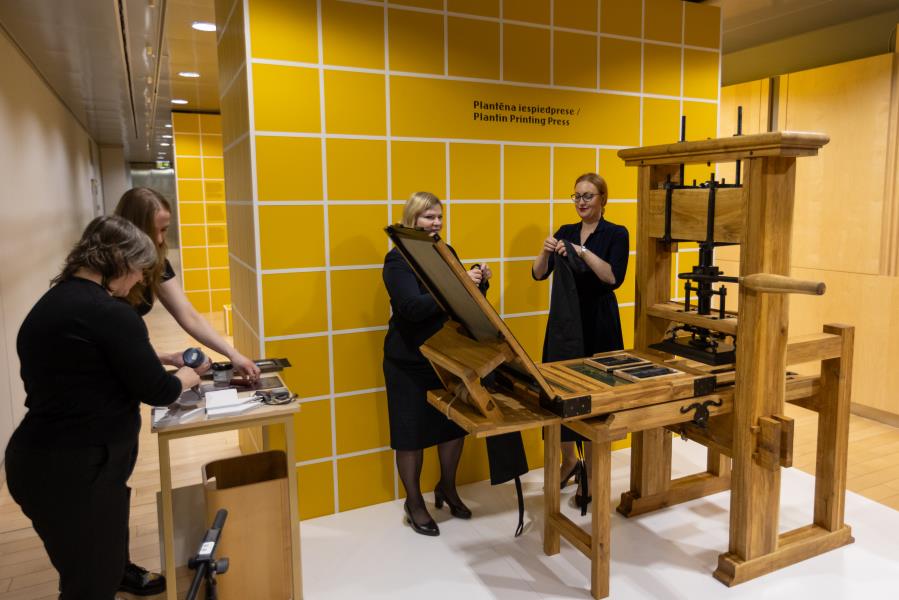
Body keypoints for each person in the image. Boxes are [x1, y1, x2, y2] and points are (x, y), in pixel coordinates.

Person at [5, 216, 201, 599]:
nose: (139, 281)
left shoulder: (56, 301)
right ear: (121, 260)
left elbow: (86, 362)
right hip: (76, 469)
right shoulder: (112, 313)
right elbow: (159, 390)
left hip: (41, 460)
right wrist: (189, 376)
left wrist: (157, 356)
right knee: (91, 584)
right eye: (140, 270)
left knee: (87, 567)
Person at [382, 192, 492, 536]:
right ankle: (414, 503)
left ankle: (447, 487)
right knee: (410, 436)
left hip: (445, 356)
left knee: (451, 427)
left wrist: (480, 282)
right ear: (412, 219)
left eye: (440, 217)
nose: (436, 223)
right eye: (429, 217)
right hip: (408, 360)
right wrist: (460, 283)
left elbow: (463, 303)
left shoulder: (447, 251)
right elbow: (411, 308)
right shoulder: (397, 260)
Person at [532, 173, 629, 508]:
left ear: (603, 198)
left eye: (588, 196)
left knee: (595, 400)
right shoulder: (566, 231)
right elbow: (538, 273)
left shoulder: (616, 233)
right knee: (560, 394)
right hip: (566, 323)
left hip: (599, 323)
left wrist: (582, 251)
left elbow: (612, 276)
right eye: (577, 196)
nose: (582, 202)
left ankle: (592, 472)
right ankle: (569, 461)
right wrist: (546, 250)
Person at [115, 187, 260, 380]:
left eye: (164, 230)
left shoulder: (157, 262)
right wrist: (173, 370)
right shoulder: (109, 274)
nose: (159, 239)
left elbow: (188, 314)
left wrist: (232, 354)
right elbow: (112, 346)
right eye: (151, 231)